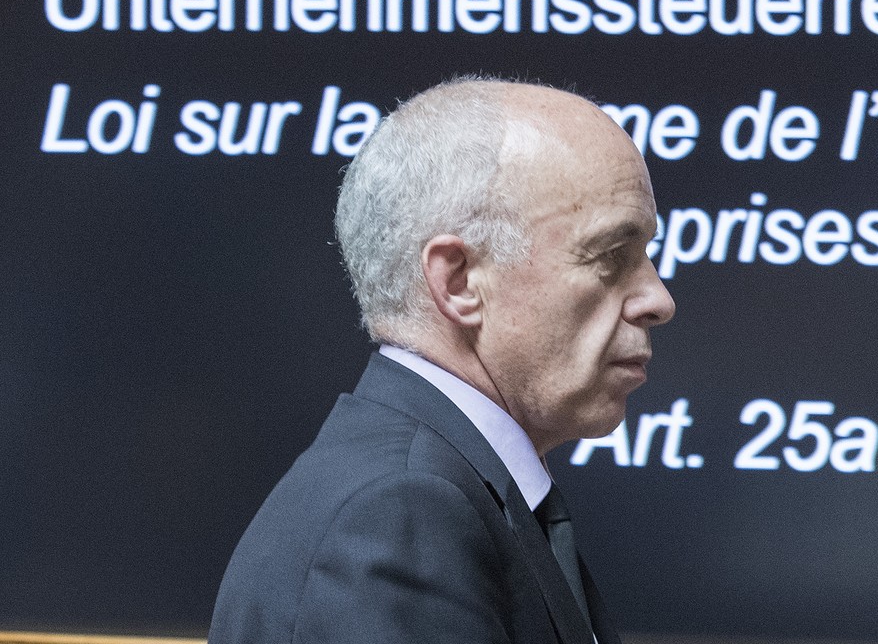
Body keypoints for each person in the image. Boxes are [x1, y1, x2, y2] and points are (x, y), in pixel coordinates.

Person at [210, 78, 676, 643]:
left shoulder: (440, 491)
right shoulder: (396, 518)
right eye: (611, 255)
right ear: (459, 281)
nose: (659, 300)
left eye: (646, 255)